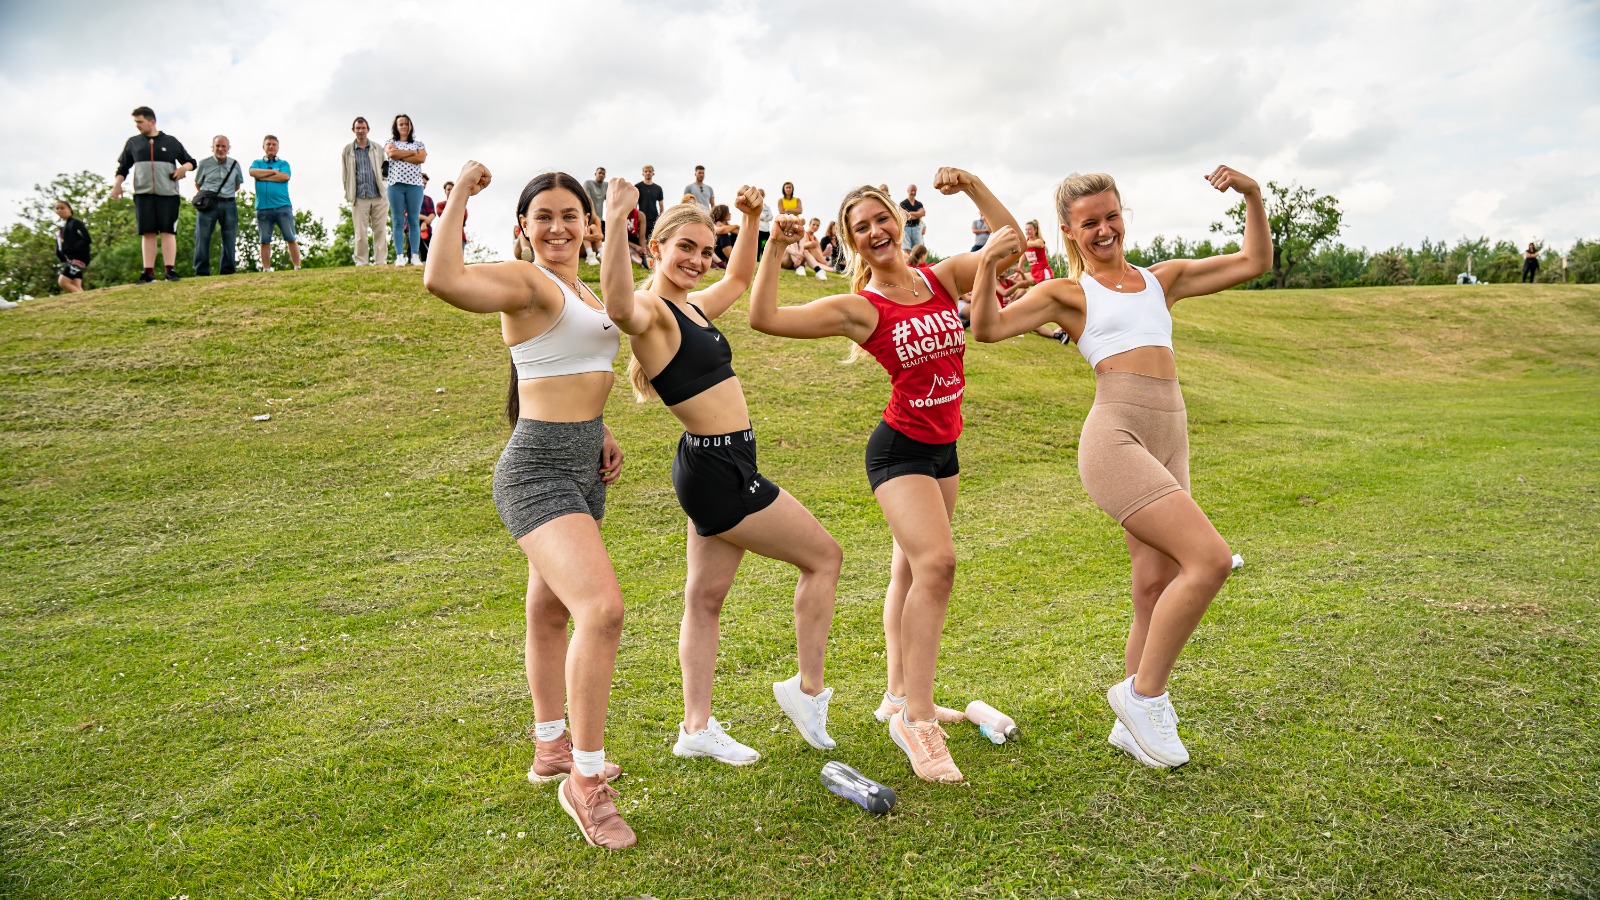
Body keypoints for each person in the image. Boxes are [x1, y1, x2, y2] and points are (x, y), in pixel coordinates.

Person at [968, 166, 1269, 770]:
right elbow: (988, 329)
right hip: (1116, 438)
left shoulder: (1164, 280)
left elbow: (1253, 261)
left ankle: (1132, 727)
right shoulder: (1067, 295)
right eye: (1089, 223)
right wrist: (983, 270)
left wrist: (1253, 196)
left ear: (1122, 215)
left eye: (1111, 216)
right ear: (1068, 233)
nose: (1104, 230)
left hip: (1170, 433)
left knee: (1153, 590)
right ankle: (1143, 696)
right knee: (1208, 560)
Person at [749, 172, 1021, 785]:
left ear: (899, 221)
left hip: (944, 446)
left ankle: (897, 696)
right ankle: (916, 721)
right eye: (860, 227)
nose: (875, 232)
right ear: (849, 243)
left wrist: (973, 185)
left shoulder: (938, 278)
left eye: (881, 219)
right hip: (899, 452)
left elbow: (1007, 244)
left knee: (908, 571)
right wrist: (772, 243)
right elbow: (763, 317)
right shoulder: (859, 308)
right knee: (938, 566)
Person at [421, 161, 634, 850]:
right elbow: (442, 280)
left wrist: (599, 427)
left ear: (589, 224)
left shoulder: (587, 292)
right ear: (524, 228)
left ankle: (552, 748)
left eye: (570, 214)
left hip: (580, 464)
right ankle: (587, 782)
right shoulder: (526, 281)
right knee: (601, 611)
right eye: (542, 216)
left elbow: (567, 371)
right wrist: (457, 194)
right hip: (537, 470)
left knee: (549, 610)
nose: (557, 226)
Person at [602, 181, 844, 766]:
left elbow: (736, 281)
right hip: (718, 467)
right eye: (684, 247)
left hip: (715, 460)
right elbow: (615, 307)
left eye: (705, 251)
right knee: (824, 557)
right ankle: (807, 692)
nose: (697, 260)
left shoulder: (691, 306)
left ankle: (696, 727)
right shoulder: (652, 312)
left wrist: (752, 218)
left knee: (705, 599)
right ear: (655, 245)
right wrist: (614, 222)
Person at [111, 106, 196, 283]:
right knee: (148, 233)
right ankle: (147, 272)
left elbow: (191, 162)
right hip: (143, 194)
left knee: (168, 231)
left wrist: (182, 169)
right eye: (136, 123)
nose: (138, 126)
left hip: (168, 193)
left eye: (140, 122)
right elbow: (123, 167)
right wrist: (117, 185)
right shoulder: (133, 143)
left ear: (152, 121)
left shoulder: (171, 141)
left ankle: (170, 271)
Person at [191, 136, 243, 277]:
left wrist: (226, 193)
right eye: (217, 146)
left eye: (223, 146)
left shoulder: (235, 164)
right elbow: (198, 184)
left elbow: (237, 185)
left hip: (229, 203)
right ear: (212, 147)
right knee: (202, 237)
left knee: (230, 237)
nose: (220, 149)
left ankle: (228, 271)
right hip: (209, 204)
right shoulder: (204, 164)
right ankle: (201, 272)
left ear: (228, 148)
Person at [250, 135, 301, 272]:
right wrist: (272, 172)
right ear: (264, 147)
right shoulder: (257, 163)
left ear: (278, 147)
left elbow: (284, 176)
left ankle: (297, 266)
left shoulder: (283, 164)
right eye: (268, 144)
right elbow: (253, 172)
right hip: (263, 207)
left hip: (282, 206)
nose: (271, 147)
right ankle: (266, 269)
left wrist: (263, 176)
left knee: (290, 237)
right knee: (264, 240)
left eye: (273, 144)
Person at [342, 117, 388, 266]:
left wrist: (385, 186)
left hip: (378, 195)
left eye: (363, 128)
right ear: (353, 130)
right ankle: (361, 262)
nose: (360, 131)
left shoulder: (378, 148)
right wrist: (348, 192)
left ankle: (381, 261)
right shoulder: (347, 150)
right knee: (360, 232)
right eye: (358, 128)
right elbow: (345, 174)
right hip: (359, 196)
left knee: (380, 230)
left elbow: (385, 170)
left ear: (368, 129)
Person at [384, 114, 428, 266]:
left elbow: (421, 158)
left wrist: (400, 155)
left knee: (414, 220)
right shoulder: (390, 142)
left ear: (410, 126)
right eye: (401, 124)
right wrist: (411, 153)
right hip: (395, 185)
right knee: (397, 220)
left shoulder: (419, 143)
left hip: (415, 185)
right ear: (396, 127)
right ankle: (399, 256)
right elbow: (391, 153)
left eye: (406, 124)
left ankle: (415, 255)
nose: (404, 126)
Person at [54, 201, 91, 293]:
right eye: (57, 209)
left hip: (79, 258)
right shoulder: (61, 228)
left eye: (62, 208)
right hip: (70, 259)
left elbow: (87, 239)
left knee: (63, 281)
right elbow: (60, 246)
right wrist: (62, 258)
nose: (59, 210)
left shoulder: (75, 223)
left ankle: (84, 301)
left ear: (70, 209)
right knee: (76, 284)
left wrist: (74, 249)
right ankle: (85, 303)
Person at [438, 180, 469, 253]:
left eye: (452, 189)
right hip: (445, 237)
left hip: (459, 237)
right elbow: (441, 214)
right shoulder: (440, 205)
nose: (450, 191)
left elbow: (463, 217)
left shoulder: (462, 205)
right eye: (448, 189)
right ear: (445, 191)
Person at [636, 165, 665, 240]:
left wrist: (660, 218)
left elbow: (661, 205)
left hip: (654, 220)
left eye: (650, 171)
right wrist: (635, 218)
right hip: (641, 219)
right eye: (646, 171)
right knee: (642, 241)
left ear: (653, 173)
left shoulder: (658, 188)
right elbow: (634, 204)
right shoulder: (637, 187)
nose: (648, 173)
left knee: (653, 240)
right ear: (643, 174)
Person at [583, 167, 609, 248]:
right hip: (588, 216)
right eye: (599, 173)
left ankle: (600, 253)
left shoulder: (606, 185)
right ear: (595, 174)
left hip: (599, 218)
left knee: (598, 235)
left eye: (603, 174)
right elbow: (587, 199)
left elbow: (609, 200)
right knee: (587, 234)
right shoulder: (588, 183)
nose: (601, 175)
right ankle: (588, 252)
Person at [899, 184, 927, 251]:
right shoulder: (903, 203)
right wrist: (918, 214)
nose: (913, 192)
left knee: (919, 249)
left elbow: (923, 213)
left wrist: (910, 213)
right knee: (906, 249)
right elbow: (904, 216)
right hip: (906, 228)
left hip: (916, 228)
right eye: (912, 190)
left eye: (915, 191)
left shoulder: (919, 204)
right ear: (908, 191)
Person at [710, 204, 737, 268]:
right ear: (723, 213)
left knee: (735, 235)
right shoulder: (712, 224)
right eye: (728, 212)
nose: (730, 214)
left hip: (728, 253)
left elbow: (740, 232)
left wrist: (724, 226)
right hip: (717, 253)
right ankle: (732, 261)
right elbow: (720, 231)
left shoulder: (730, 226)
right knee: (723, 235)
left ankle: (734, 261)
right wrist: (734, 226)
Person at [416, 174, 436, 263]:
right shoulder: (408, 198)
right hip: (412, 229)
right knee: (413, 252)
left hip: (426, 230)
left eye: (425, 183)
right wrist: (425, 219)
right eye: (422, 182)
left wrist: (425, 223)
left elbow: (432, 214)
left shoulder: (428, 199)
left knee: (427, 254)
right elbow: (408, 213)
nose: (423, 185)